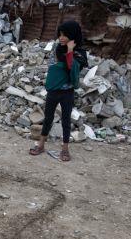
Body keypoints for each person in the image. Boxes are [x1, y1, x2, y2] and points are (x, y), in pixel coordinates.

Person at [29, 20, 88, 161]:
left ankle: (65, 149)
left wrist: (70, 52)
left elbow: (72, 69)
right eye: (60, 34)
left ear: (73, 35)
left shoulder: (80, 53)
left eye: (64, 35)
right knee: (48, 118)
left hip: (67, 92)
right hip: (53, 91)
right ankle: (41, 145)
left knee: (66, 121)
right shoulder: (57, 49)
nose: (61, 38)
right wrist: (67, 54)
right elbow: (53, 68)